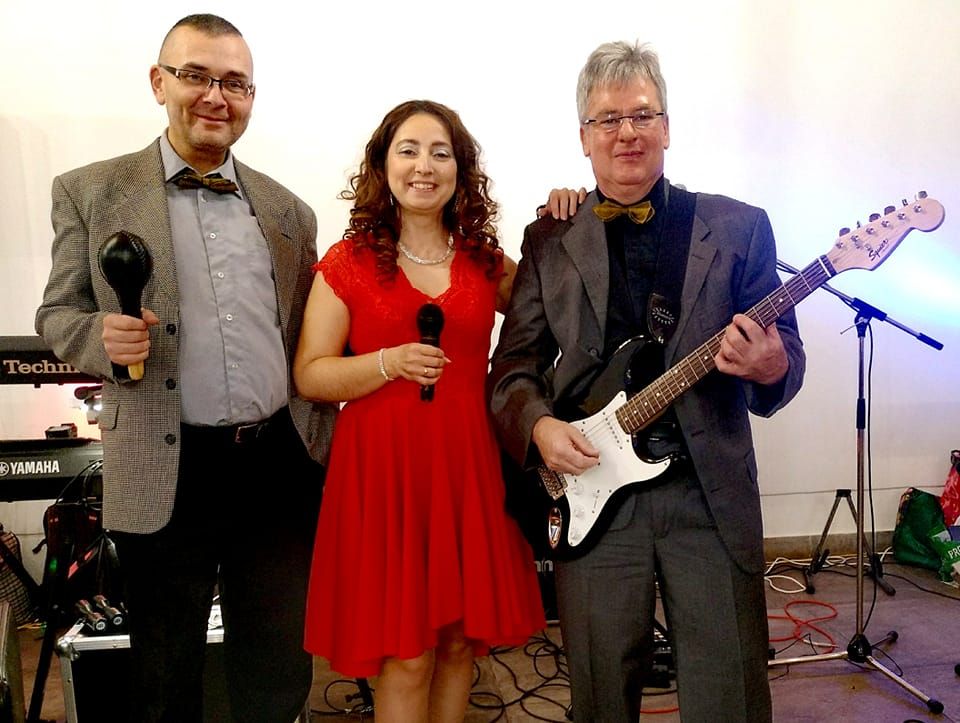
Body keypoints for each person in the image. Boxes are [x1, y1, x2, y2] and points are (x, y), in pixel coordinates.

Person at [488, 41, 806, 722]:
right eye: (608, 119)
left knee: (730, 696)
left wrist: (770, 365)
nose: (626, 132)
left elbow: (787, 360)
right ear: (584, 137)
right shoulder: (549, 238)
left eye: (642, 115)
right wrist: (540, 427)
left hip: (707, 494)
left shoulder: (739, 228)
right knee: (601, 694)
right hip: (593, 494)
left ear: (667, 127)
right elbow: (512, 369)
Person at [35, 14, 336, 723]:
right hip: (165, 465)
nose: (215, 96)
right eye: (196, 75)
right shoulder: (90, 190)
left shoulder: (289, 210)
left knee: (277, 662)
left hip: (277, 464)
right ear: (159, 82)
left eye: (235, 83)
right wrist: (99, 338)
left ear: (251, 96)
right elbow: (57, 314)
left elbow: (308, 333)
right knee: (165, 668)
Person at [294, 99, 545, 722]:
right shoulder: (347, 263)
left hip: (467, 469)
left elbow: (556, 302)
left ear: (461, 169)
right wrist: (388, 363)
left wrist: (563, 217)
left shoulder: (484, 261)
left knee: (458, 642)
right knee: (406, 656)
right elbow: (311, 374)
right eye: (408, 150)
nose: (424, 166)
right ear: (384, 165)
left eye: (440, 153)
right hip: (383, 476)